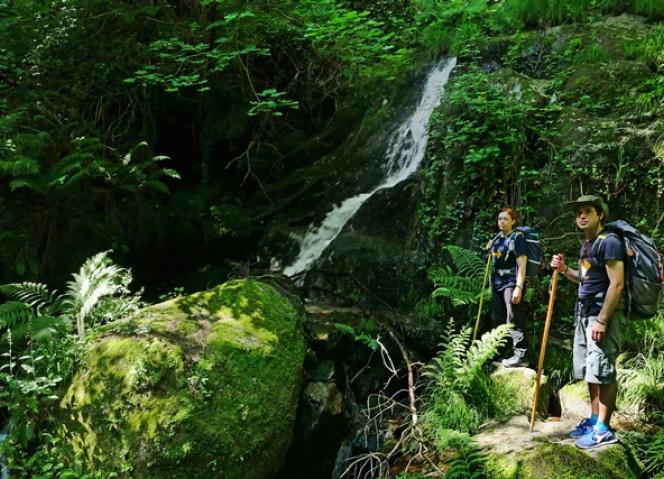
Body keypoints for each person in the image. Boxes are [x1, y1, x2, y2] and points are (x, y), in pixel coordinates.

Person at [550, 194, 625, 449]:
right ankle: (594, 420)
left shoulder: (610, 242)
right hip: (584, 312)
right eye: (579, 212)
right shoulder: (587, 245)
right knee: (591, 369)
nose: (581, 216)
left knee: (603, 368)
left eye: (587, 211)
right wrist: (563, 270)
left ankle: (604, 429)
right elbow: (582, 279)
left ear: (600, 215)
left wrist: (602, 320)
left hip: (603, 313)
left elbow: (617, 283)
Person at [487, 207, 528, 368]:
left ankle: (521, 356)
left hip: (511, 282)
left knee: (513, 318)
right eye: (499, 219)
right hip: (496, 281)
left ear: (513, 221)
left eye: (505, 219)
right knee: (497, 318)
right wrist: (491, 250)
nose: (502, 221)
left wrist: (519, 286)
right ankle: (501, 353)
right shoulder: (497, 239)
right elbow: (498, 258)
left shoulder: (517, 238)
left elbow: (522, 264)